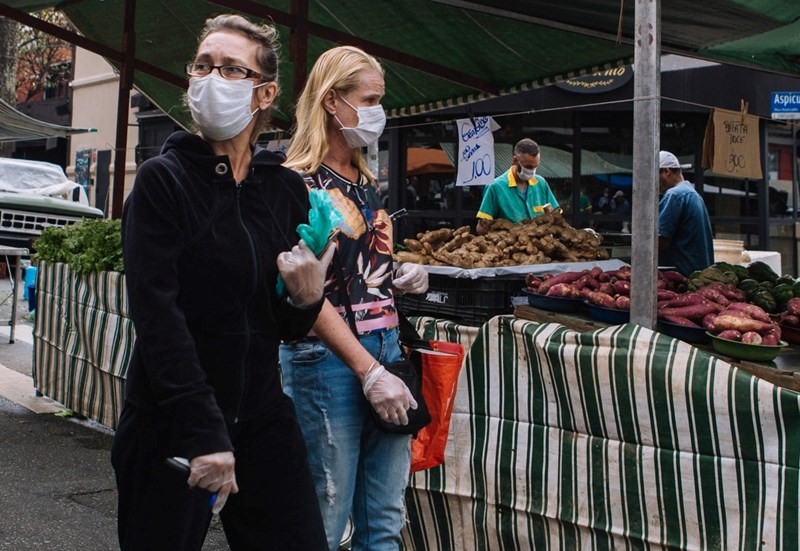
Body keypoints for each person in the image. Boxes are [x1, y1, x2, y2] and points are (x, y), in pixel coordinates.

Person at [111, 14, 334, 550]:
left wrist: (306, 297)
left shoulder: (282, 190)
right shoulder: (163, 182)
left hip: (261, 418)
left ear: (264, 93)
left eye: (232, 69)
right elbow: (158, 316)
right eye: (203, 65)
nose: (212, 78)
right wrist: (204, 433)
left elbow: (280, 323)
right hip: (172, 421)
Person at [282, 45, 429, 551]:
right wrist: (368, 372)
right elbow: (302, 296)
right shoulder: (294, 185)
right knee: (324, 518)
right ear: (331, 102)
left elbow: (363, 268)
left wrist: (405, 271)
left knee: (385, 519)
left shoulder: (365, 181)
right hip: (327, 360)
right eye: (369, 100)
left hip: (388, 350)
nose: (378, 112)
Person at [475, 138, 558, 235]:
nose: (532, 171)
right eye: (528, 167)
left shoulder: (541, 183)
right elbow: (481, 228)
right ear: (515, 160)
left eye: (536, 167)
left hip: (540, 246)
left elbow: (556, 216)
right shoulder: (495, 187)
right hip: (508, 247)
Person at [658, 150, 714, 276]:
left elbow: (661, 241)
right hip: (699, 274)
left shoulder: (674, 195)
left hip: (683, 276)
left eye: (655, 177)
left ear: (667, 171)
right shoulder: (692, 194)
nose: (654, 184)